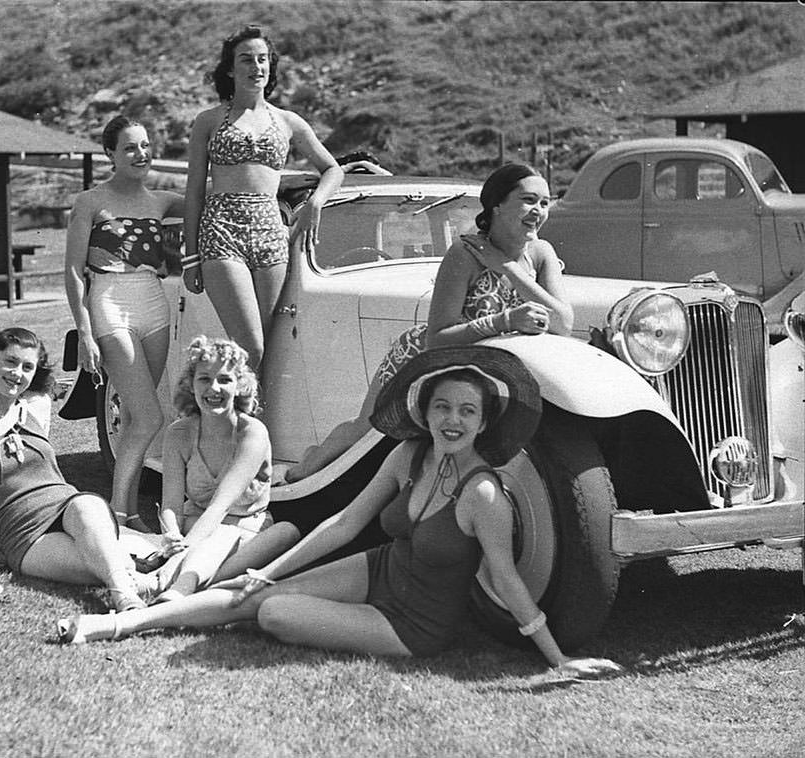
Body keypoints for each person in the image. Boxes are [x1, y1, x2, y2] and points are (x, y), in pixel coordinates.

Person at [56, 346, 623, 680]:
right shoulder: (409, 454)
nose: (453, 420)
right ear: (424, 413)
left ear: (483, 421)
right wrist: (270, 569)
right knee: (256, 592)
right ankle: (118, 623)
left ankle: (179, 610)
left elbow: (505, 579)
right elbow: (344, 524)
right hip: (378, 569)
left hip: (414, 623)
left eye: (467, 411)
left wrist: (557, 658)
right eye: (442, 406)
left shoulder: (484, 495)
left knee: (274, 614)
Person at [283, 162, 571, 483]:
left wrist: (509, 269)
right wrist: (506, 320)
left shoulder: (540, 253)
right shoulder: (464, 253)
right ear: (498, 205)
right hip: (424, 356)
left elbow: (562, 323)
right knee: (366, 428)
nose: (539, 211)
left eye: (545, 203)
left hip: (490, 367)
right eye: (529, 200)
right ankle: (303, 470)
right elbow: (437, 338)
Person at [0, 327, 145, 612]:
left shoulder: (37, 405)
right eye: (10, 361)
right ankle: (145, 583)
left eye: (27, 367)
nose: (17, 373)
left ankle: (125, 597)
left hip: (67, 505)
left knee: (87, 508)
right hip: (22, 532)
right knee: (106, 562)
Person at [182, 25, 343, 372]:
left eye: (263, 59)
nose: (256, 67)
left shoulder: (288, 121)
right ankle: (237, 423)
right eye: (246, 60)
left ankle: (253, 424)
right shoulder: (207, 121)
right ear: (230, 68)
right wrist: (190, 256)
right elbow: (194, 189)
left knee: (269, 350)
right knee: (249, 347)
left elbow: (333, 169)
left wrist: (316, 202)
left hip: (271, 234)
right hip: (221, 233)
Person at [64, 116, 185, 532]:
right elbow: (75, 272)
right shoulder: (90, 202)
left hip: (153, 302)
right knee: (151, 418)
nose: (141, 154)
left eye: (146, 145)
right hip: (110, 302)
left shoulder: (163, 201)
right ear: (110, 154)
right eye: (130, 147)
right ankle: (119, 513)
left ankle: (129, 513)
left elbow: (215, 200)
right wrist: (84, 332)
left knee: (137, 419)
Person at [141, 336, 300, 603]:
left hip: (244, 532)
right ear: (191, 385)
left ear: (240, 386)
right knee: (207, 540)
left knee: (262, 533)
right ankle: (187, 586)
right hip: (193, 529)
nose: (214, 388)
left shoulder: (252, 433)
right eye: (204, 379)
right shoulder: (178, 434)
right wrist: (171, 533)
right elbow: (171, 503)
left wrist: (180, 552)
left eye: (224, 379)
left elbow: (220, 507)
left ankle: (172, 582)